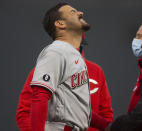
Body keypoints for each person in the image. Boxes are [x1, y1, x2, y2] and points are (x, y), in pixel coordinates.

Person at [18, 2, 111, 131]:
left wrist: (108, 126)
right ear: (60, 23)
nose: (80, 13)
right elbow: (40, 96)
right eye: (73, 12)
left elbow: (77, 109)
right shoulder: (55, 52)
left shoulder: (73, 57)